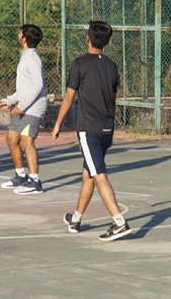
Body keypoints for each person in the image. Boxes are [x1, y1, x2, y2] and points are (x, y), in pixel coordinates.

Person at [51, 21, 132, 242]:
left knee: (98, 175)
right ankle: (75, 219)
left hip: (89, 130)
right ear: (107, 42)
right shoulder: (112, 66)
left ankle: (119, 222)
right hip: (106, 129)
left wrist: (58, 124)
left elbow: (69, 97)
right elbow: (114, 101)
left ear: (87, 38)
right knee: (88, 174)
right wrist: (112, 129)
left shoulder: (79, 64)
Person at [0, 24, 47, 195]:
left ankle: (35, 181)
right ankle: (20, 176)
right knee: (11, 139)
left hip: (33, 108)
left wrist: (22, 106)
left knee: (27, 142)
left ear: (25, 39)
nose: (18, 35)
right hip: (23, 106)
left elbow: (38, 85)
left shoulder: (33, 58)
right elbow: (24, 88)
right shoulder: (25, 57)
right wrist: (10, 101)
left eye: (20, 33)